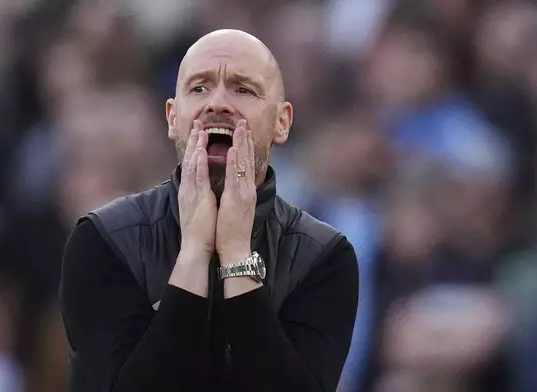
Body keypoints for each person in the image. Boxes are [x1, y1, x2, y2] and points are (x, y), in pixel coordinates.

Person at [59, 29, 359, 392]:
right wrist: (194, 253)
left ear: (282, 122)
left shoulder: (323, 257)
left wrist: (235, 254)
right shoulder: (104, 239)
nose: (217, 103)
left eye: (243, 89)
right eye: (199, 88)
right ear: (172, 118)